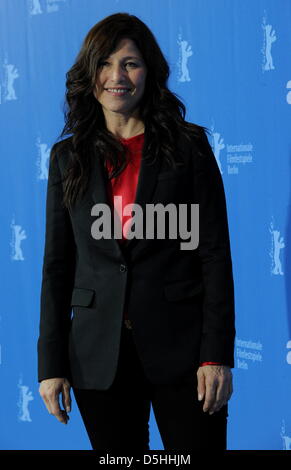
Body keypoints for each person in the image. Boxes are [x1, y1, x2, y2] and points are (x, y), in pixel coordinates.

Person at [37, 12, 235, 452]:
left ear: (150, 72)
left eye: (130, 63)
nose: (116, 76)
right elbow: (57, 266)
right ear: (89, 74)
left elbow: (213, 256)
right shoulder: (67, 158)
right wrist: (50, 365)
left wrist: (215, 355)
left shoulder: (188, 147)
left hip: (183, 352)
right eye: (104, 64)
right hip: (96, 355)